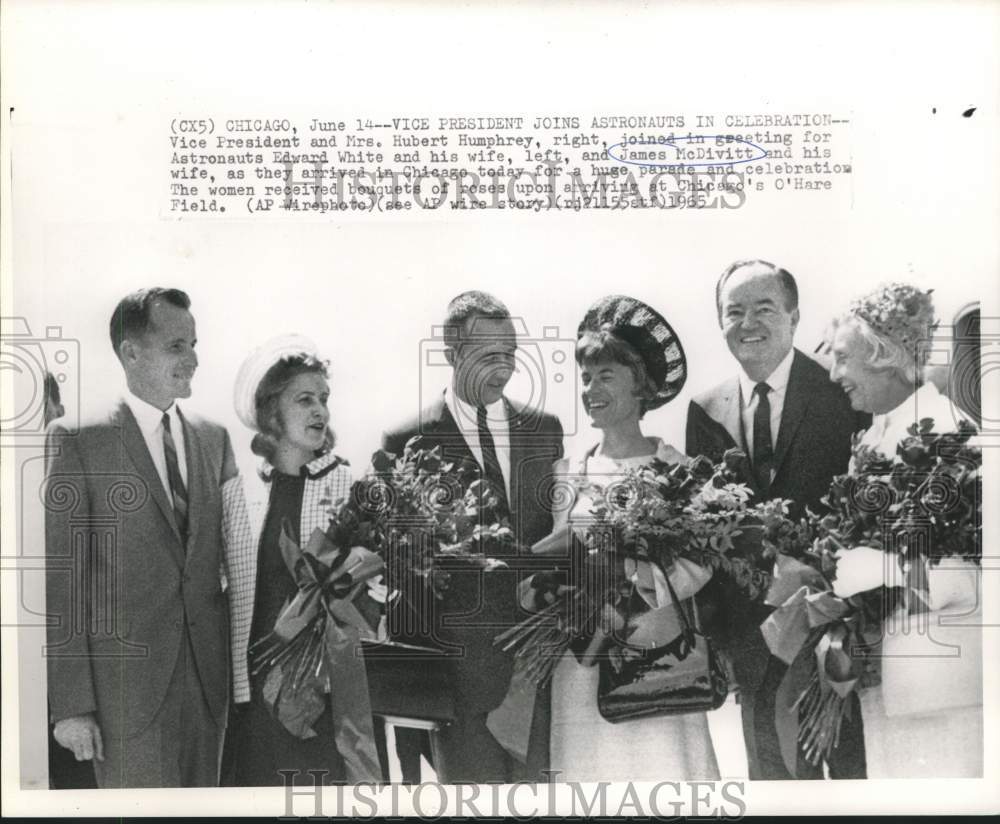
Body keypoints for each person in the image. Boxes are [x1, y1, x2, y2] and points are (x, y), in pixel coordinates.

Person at [685, 260, 869, 780]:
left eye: (764, 309)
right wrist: (720, 640)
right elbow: (706, 537)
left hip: (836, 634)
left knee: (855, 782)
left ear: (793, 316)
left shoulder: (842, 393)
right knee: (774, 786)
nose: (749, 324)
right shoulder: (706, 409)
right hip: (754, 643)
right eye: (734, 312)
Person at [45, 288, 236, 787]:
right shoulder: (79, 439)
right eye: (177, 346)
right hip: (124, 700)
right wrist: (71, 708)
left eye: (194, 344)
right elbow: (62, 584)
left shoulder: (215, 439)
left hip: (207, 692)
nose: (193, 359)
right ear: (131, 352)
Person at [380, 290, 564, 783]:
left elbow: (561, 539)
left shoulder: (545, 430)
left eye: (510, 353)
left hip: (539, 671)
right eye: (487, 354)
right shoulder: (406, 441)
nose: (503, 367)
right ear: (452, 354)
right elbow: (403, 576)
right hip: (456, 685)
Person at [538, 293, 718, 781]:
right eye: (586, 378)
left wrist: (631, 577)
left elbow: (699, 563)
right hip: (584, 661)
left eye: (606, 376)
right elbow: (556, 556)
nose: (591, 389)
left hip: (656, 654)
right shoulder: (567, 471)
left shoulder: (677, 468)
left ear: (640, 385)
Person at [828, 283, 982, 778]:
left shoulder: (943, 428)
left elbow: (967, 575)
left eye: (843, 358)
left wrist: (875, 569)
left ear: (883, 355)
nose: (835, 375)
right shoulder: (875, 434)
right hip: (890, 684)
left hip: (939, 687)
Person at [220, 335, 382, 786]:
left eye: (324, 399)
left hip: (325, 694)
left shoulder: (353, 485)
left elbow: (380, 588)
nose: (320, 411)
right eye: (305, 399)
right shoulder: (236, 494)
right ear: (271, 410)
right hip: (251, 691)